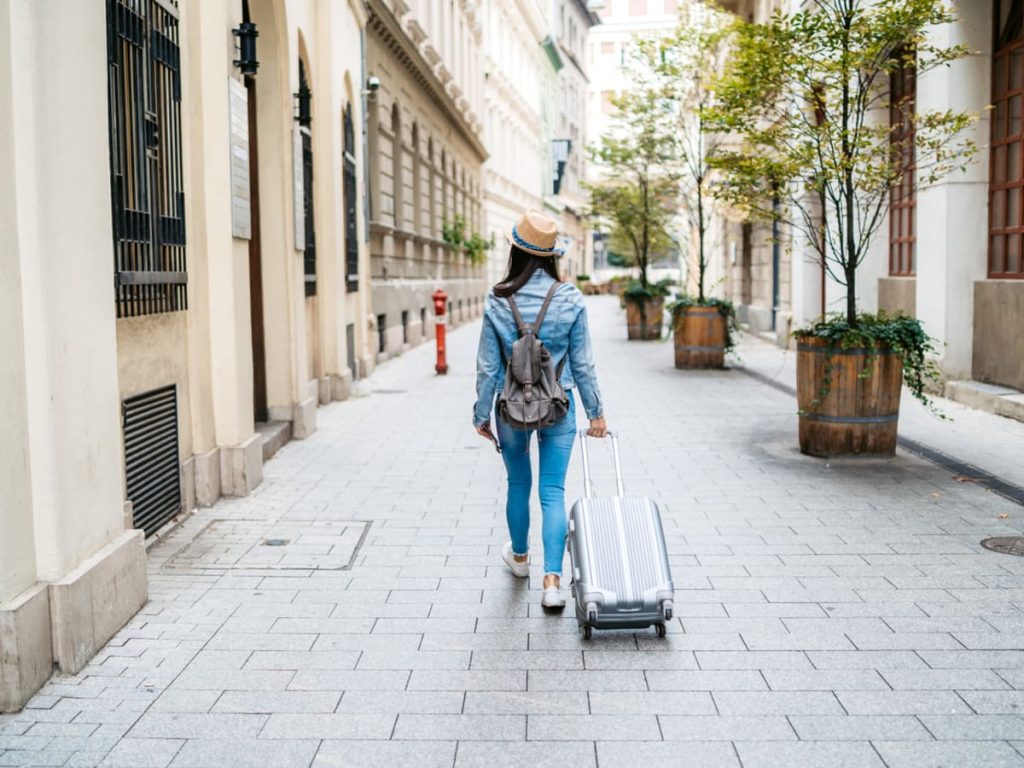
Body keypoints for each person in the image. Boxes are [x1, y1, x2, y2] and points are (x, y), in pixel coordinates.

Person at [473, 209, 607, 609]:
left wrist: (481, 414)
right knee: (553, 491)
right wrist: (596, 412)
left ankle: (519, 559)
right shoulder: (569, 298)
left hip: (509, 407)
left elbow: (487, 366)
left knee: (518, 484)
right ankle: (552, 582)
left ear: (515, 249)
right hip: (559, 406)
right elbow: (583, 363)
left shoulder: (498, 299)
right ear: (552, 255)